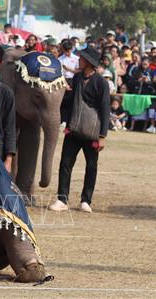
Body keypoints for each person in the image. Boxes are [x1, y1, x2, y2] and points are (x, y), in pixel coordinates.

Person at [50, 47, 110, 213]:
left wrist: (102, 136)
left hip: (92, 132)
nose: (79, 60)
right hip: (74, 129)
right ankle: (62, 199)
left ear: (89, 62)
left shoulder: (101, 83)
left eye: (82, 58)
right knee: (65, 164)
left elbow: (105, 110)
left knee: (91, 166)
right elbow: (70, 102)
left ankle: (86, 200)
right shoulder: (76, 78)